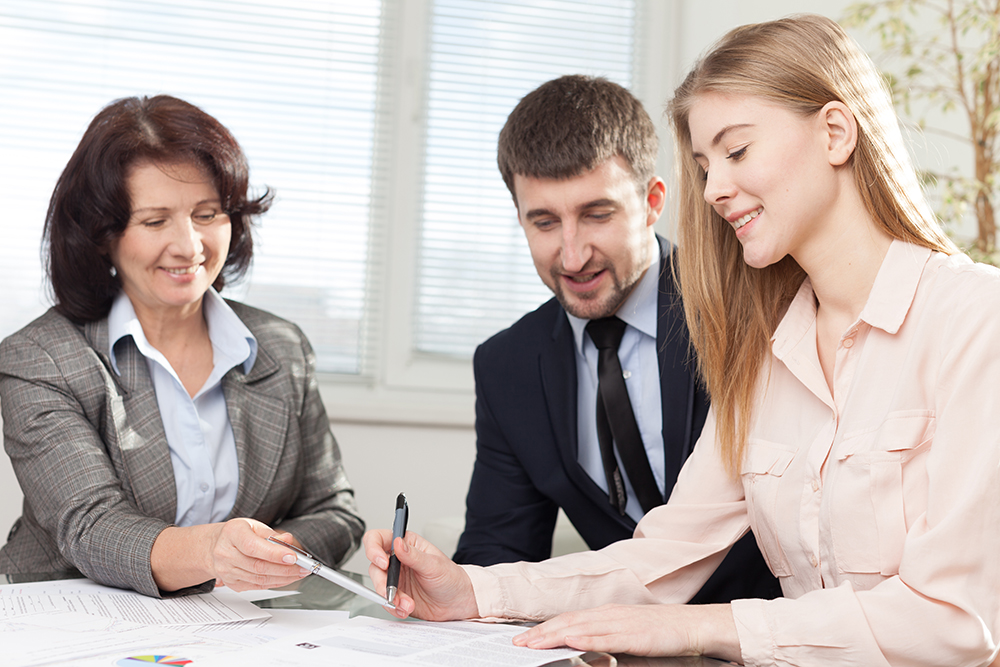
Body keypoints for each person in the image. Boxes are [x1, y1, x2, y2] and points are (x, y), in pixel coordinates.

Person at [364, 15, 1000, 666]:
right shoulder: (768, 351)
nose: (716, 187)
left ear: (836, 132)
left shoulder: (976, 319)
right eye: (704, 163)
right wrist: (469, 587)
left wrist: (702, 628)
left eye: (737, 150)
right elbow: (663, 555)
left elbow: (955, 619)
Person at [0, 95, 365, 598]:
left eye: (207, 213)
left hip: (228, 626)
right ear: (103, 235)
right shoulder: (39, 357)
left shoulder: (282, 347)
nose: (190, 245)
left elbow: (334, 509)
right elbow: (89, 526)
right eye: (155, 221)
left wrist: (272, 554)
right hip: (58, 616)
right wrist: (218, 551)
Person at [454, 74, 778, 604]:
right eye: (544, 222)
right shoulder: (506, 364)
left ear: (652, 202)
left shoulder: (742, 306)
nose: (573, 255)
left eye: (596, 214)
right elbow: (498, 548)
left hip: (767, 635)